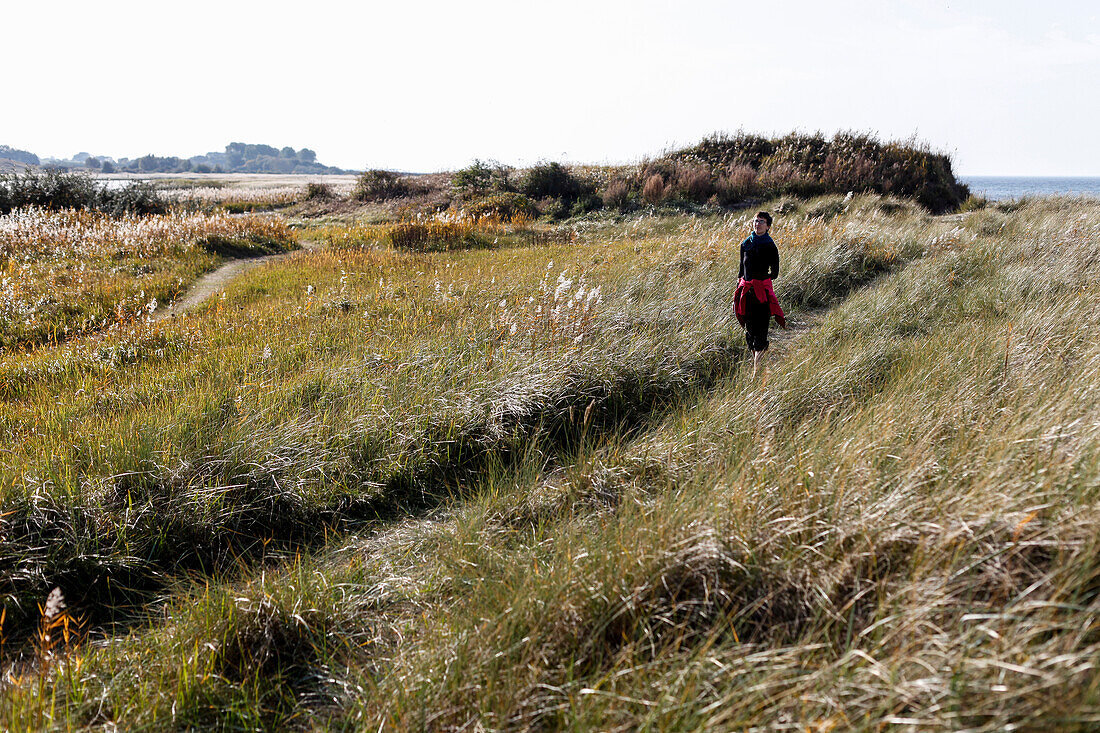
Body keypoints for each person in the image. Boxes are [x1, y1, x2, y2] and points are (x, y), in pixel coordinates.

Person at [734, 211, 786, 378]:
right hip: (746, 293)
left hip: (761, 294)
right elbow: (741, 271)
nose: (757, 224)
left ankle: (756, 373)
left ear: (768, 226)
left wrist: (763, 281)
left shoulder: (771, 246)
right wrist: (738, 289)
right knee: (750, 332)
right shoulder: (745, 244)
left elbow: (775, 272)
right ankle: (759, 362)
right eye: (756, 221)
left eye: (761, 221)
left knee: (761, 331)